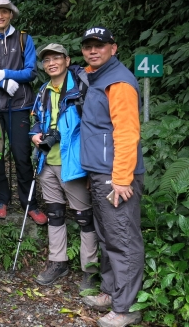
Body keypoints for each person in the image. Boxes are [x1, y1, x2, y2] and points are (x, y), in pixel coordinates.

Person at [78, 27, 144, 327]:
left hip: (117, 177)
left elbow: (127, 134)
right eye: (88, 46)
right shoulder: (97, 78)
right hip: (102, 172)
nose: (93, 51)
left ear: (113, 48)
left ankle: (126, 307)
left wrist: (121, 178)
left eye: (100, 46)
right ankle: (110, 292)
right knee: (107, 236)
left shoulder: (118, 82)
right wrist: (95, 172)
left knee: (122, 239)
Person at [0, 0, 47, 225]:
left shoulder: (24, 39)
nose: (0, 16)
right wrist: (0, 83)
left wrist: (5, 74)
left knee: (22, 155)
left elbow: (31, 71)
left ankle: (29, 202)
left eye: (4, 12)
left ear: (11, 14)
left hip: (21, 104)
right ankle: (1, 198)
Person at [30, 44, 99, 291]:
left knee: (84, 216)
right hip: (47, 161)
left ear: (67, 60)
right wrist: (35, 135)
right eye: (47, 59)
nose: (51, 63)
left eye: (56, 58)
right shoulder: (43, 91)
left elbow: (95, 126)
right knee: (55, 214)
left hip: (75, 163)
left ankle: (90, 269)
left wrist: (94, 168)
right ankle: (58, 261)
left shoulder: (82, 87)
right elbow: (36, 120)